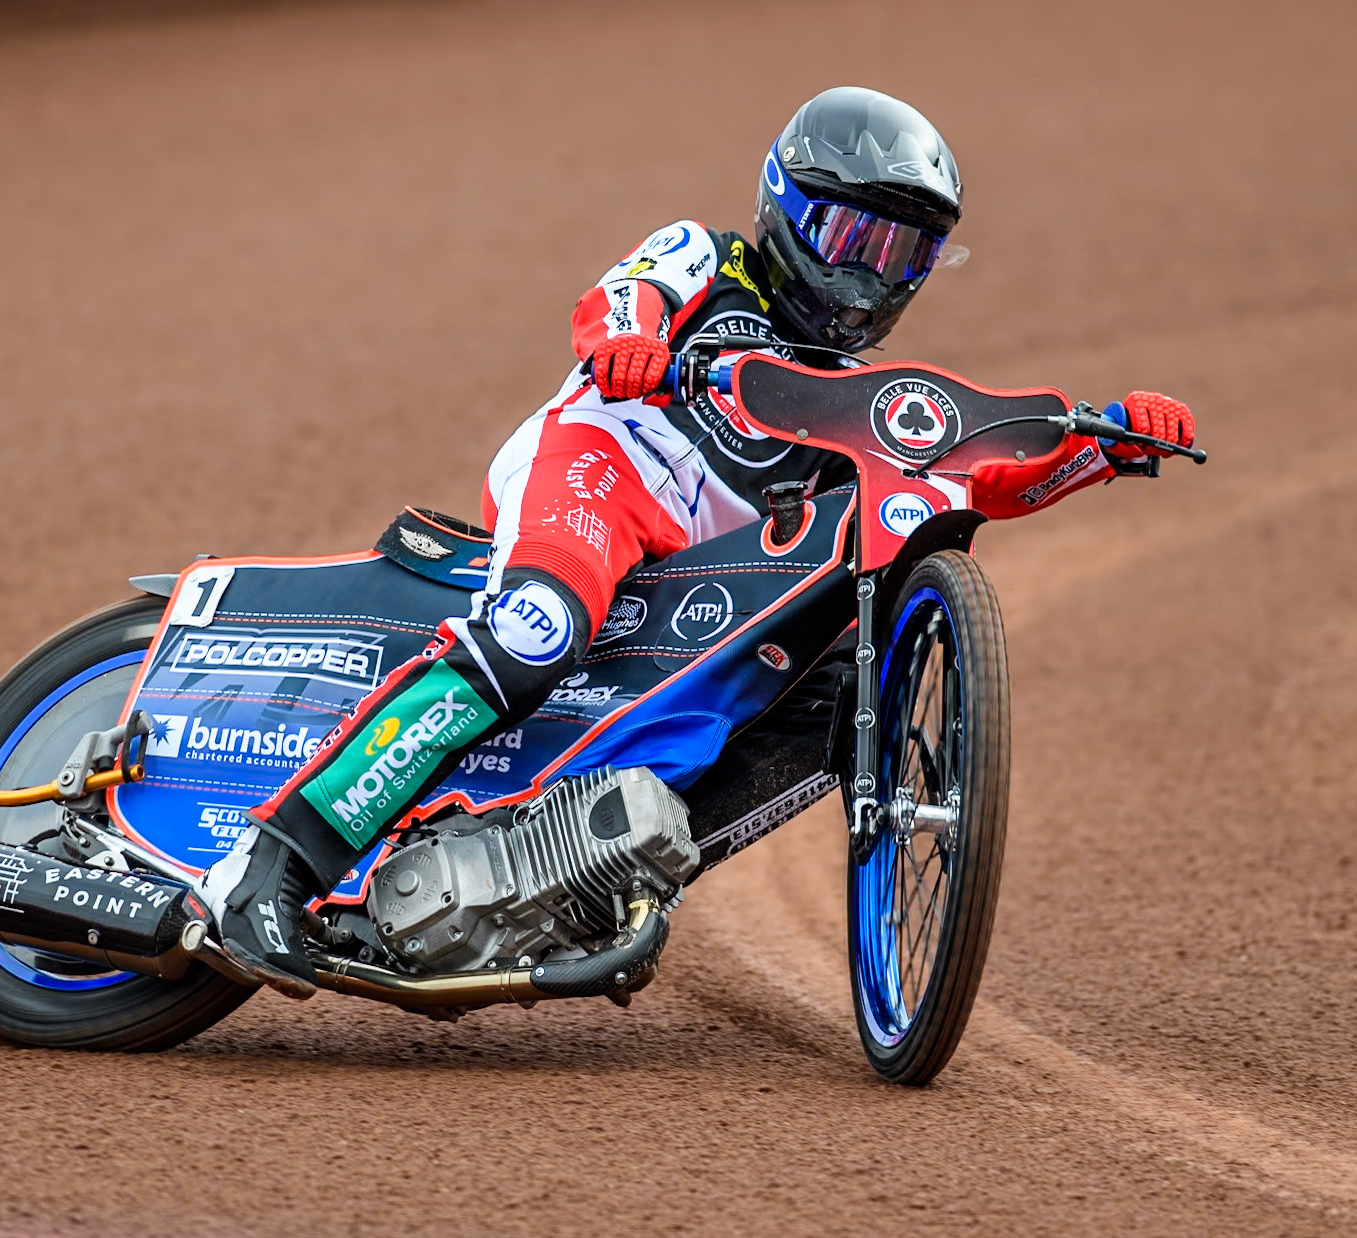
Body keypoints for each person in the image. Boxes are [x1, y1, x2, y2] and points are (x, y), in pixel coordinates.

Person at [196, 85, 1196, 998]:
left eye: (900, 254)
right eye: (851, 234)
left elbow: (978, 471)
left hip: (693, 570)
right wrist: (628, 343)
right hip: (603, 464)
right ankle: (272, 864)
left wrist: (1104, 445)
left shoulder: (856, 398)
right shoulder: (704, 257)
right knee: (539, 625)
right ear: (786, 207)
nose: (867, 273)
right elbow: (622, 298)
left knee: (827, 683)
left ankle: (595, 877)